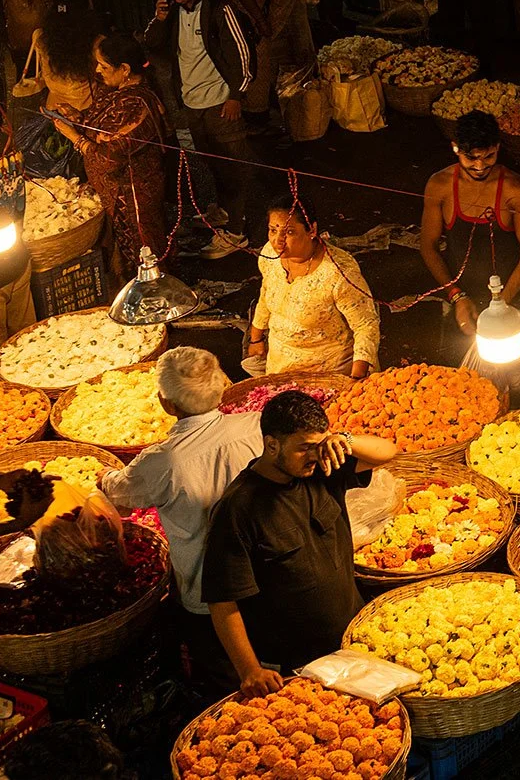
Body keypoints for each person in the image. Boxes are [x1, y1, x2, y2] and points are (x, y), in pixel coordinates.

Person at [202, 391, 400, 694]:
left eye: (319, 444)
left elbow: (387, 451)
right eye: (304, 447)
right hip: (296, 665)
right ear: (271, 445)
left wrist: (344, 439)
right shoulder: (237, 509)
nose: (314, 454)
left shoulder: (322, 468)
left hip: (353, 636)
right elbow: (223, 600)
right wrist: (250, 670)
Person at [101, 348, 265, 652]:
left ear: (167, 403)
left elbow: (119, 496)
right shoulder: (256, 425)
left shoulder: (162, 461)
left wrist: (104, 476)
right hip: (266, 576)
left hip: (207, 592)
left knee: (219, 665)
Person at [144, 0, 257, 249]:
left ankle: (236, 231)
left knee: (234, 165)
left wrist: (236, 96)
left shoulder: (219, 7)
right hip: (191, 103)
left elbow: (242, 52)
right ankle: (223, 212)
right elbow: (151, 44)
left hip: (221, 103)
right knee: (212, 163)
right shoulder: (170, 10)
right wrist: (159, 19)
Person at [44, 32, 171, 279]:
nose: (98, 71)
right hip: (115, 195)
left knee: (145, 253)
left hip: (133, 196)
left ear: (124, 69)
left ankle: (158, 301)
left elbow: (109, 156)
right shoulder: (115, 93)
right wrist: (76, 118)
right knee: (125, 257)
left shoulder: (137, 105)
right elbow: (101, 129)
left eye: (103, 65)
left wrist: (74, 137)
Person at [418, 110, 520, 355]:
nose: (480, 166)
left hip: (512, 294)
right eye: (471, 158)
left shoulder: (515, 190)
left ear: (497, 148)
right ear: (456, 149)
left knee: (514, 369)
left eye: (488, 156)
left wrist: (501, 304)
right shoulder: (440, 185)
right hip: (461, 295)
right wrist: (457, 296)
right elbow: (428, 247)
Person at [249, 195, 379, 378]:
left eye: (289, 232)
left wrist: (355, 380)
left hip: (330, 373)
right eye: (272, 230)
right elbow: (266, 291)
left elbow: (366, 325)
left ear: (312, 230)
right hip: (280, 368)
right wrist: (256, 337)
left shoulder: (338, 274)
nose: (278, 240)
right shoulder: (269, 255)